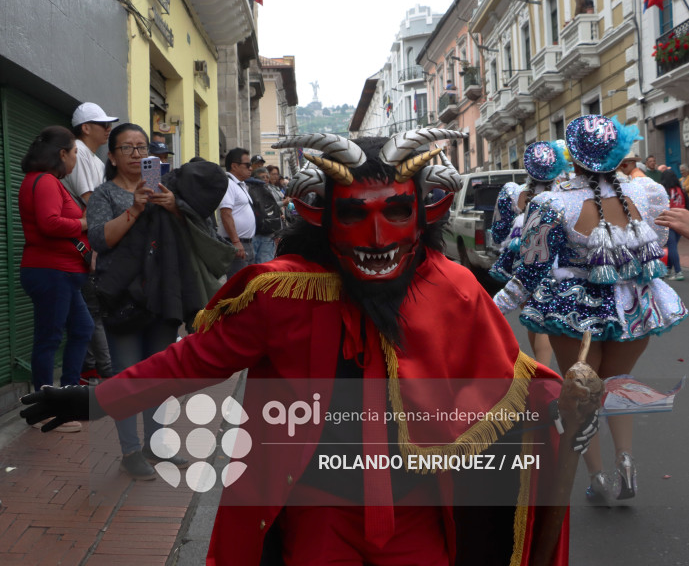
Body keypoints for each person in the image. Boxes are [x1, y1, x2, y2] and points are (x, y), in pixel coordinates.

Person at [20, 128, 588, 565]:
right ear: (323, 216)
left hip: (418, 510)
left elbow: (505, 380)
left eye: (395, 210)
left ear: (421, 211)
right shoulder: (285, 292)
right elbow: (191, 360)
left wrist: (564, 409)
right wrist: (96, 402)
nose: (375, 236)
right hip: (318, 509)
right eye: (353, 213)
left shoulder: (452, 287)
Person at [494, 115, 688, 503]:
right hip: (634, 307)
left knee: (582, 394)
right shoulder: (648, 193)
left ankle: (598, 478)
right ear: (618, 156)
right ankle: (627, 461)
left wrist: (490, 309)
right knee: (618, 385)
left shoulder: (551, 203)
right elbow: (659, 244)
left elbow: (528, 274)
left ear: (574, 159)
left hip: (573, 313)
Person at [85, 123, 192, 479]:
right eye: (127, 148)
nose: (136, 154)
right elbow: (100, 240)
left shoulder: (166, 188)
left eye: (141, 147)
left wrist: (175, 206)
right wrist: (134, 208)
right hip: (123, 297)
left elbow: (194, 232)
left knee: (159, 375)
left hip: (163, 293)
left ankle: (157, 444)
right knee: (128, 376)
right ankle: (130, 450)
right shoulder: (104, 195)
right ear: (112, 157)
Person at [18, 126, 94, 433]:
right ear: (61, 154)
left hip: (61, 273)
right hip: (51, 272)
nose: (76, 158)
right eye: (75, 152)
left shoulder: (47, 182)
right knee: (48, 339)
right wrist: (84, 222)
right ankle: (46, 410)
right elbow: (49, 223)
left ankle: (67, 397)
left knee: (82, 328)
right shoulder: (45, 181)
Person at [490, 140, 570, 366]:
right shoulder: (564, 196)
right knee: (540, 319)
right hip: (552, 264)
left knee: (532, 318)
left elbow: (498, 234)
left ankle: (539, 371)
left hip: (521, 264)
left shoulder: (513, 192)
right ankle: (542, 373)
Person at [63, 103, 118, 381]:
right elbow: (91, 203)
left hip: (96, 243)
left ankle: (96, 368)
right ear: (86, 128)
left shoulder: (95, 159)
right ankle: (99, 370)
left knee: (93, 312)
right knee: (90, 313)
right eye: (102, 124)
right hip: (84, 247)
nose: (108, 129)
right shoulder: (78, 151)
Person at [218, 147, 256, 275]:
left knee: (248, 284)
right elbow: (226, 213)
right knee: (239, 286)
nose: (251, 168)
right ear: (234, 166)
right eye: (247, 165)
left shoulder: (240, 185)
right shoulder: (228, 184)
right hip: (237, 244)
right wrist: (236, 241)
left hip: (247, 243)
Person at [246, 166, 282, 263]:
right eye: (263, 177)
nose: (266, 179)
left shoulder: (270, 190)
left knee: (265, 265)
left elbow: (274, 213)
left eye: (267, 176)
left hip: (268, 234)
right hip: (254, 234)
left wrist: (277, 233)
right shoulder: (248, 189)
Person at [660, 169, 688, 280]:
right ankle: (668, 269)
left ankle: (678, 272)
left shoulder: (664, 191)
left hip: (669, 220)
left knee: (671, 246)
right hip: (681, 219)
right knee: (673, 246)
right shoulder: (681, 191)